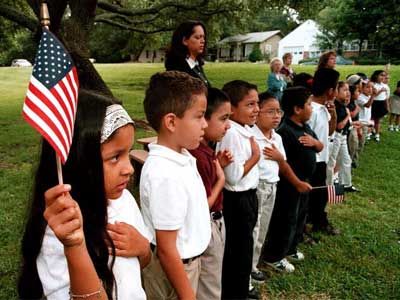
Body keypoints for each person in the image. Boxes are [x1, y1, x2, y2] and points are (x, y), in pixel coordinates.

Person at [18, 90, 151, 299]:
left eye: (128, 152)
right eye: (115, 157)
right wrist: (75, 246)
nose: (129, 168)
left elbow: (137, 265)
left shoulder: (125, 200)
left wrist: (143, 249)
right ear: (81, 163)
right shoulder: (61, 228)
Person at [140, 71, 211, 300]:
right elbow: (167, 248)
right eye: (199, 116)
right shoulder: (165, 174)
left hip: (187, 263)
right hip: (175, 269)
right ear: (171, 121)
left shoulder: (181, 156)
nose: (205, 124)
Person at [262, 87, 321, 272]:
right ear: (297, 109)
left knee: (299, 217)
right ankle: (275, 255)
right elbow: (282, 163)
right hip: (290, 184)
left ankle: (291, 248)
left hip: (304, 182)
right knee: (285, 219)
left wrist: (314, 143)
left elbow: (320, 146)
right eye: (309, 105)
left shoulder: (306, 127)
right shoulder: (285, 131)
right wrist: (296, 182)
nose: (312, 108)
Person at [216, 80, 260, 299]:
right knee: (238, 252)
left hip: (248, 196)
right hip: (237, 199)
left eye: (257, 104)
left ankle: (241, 289)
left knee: (244, 248)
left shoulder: (243, 130)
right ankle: (236, 293)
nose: (256, 109)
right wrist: (255, 157)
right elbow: (232, 178)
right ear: (232, 109)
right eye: (250, 104)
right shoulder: (232, 133)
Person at [189, 87, 233, 300]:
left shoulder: (205, 149)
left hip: (214, 222)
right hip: (207, 224)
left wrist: (218, 166)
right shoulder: (196, 155)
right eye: (223, 118)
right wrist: (221, 182)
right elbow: (202, 205)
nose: (228, 125)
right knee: (209, 287)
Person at [248, 92, 287, 282]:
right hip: (258, 188)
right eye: (270, 111)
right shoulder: (252, 137)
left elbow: (281, 160)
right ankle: (248, 268)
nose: (276, 116)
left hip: (273, 186)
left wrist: (279, 158)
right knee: (254, 228)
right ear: (258, 113)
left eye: (279, 111)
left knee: (263, 228)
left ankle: (254, 262)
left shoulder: (276, 138)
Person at [307, 68, 340, 236]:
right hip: (313, 160)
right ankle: (309, 224)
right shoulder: (310, 110)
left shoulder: (324, 108)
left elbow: (329, 132)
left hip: (323, 158)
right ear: (330, 91)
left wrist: (333, 115)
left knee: (321, 194)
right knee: (312, 195)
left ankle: (319, 220)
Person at [326, 81, 359, 192]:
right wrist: (348, 116)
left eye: (348, 90)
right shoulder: (335, 106)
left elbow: (346, 124)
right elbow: (339, 126)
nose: (348, 93)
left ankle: (346, 183)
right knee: (332, 161)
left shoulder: (343, 105)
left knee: (346, 160)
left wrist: (352, 123)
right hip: (336, 136)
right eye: (344, 90)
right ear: (336, 92)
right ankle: (329, 187)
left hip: (343, 136)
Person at [165, 20, 211, 87]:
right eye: (197, 37)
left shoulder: (196, 65)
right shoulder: (177, 69)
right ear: (185, 41)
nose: (203, 41)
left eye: (203, 37)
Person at [370, 70, 388, 142]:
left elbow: (386, 97)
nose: (383, 77)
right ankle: (370, 132)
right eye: (381, 75)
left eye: (384, 75)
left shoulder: (384, 85)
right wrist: (380, 91)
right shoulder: (373, 84)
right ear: (376, 76)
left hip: (381, 103)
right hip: (374, 103)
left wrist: (386, 106)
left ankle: (377, 134)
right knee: (371, 118)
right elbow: (372, 96)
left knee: (378, 120)